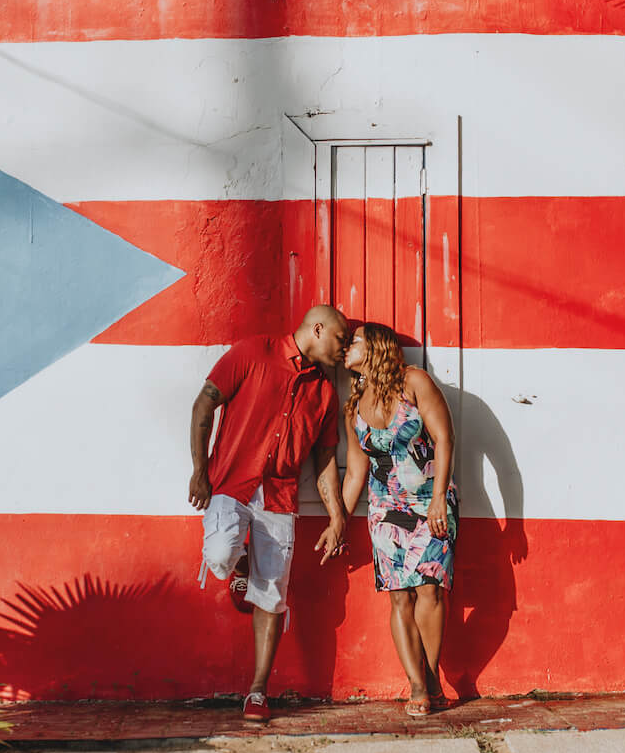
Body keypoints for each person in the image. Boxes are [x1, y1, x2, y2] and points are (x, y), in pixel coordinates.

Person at [189, 305, 349, 723]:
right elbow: (203, 406)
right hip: (231, 484)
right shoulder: (251, 353)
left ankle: (258, 690)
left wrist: (337, 517)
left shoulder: (325, 394)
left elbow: (326, 461)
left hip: (280, 498)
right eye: (340, 338)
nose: (344, 348)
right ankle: (240, 558)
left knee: (272, 596)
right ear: (317, 329)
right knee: (221, 555)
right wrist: (200, 471)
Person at [336, 321, 458, 717]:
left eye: (353, 341)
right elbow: (355, 471)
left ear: (375, 347)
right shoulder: (353, 407)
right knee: (399, 595)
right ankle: (419, 684)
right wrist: (338, 519)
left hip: (429, 501)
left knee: (430, 589)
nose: (345, 347)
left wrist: (439, 497)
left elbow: (444, 438)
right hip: (384, 508)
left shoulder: (414, 383)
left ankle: (432, 672)